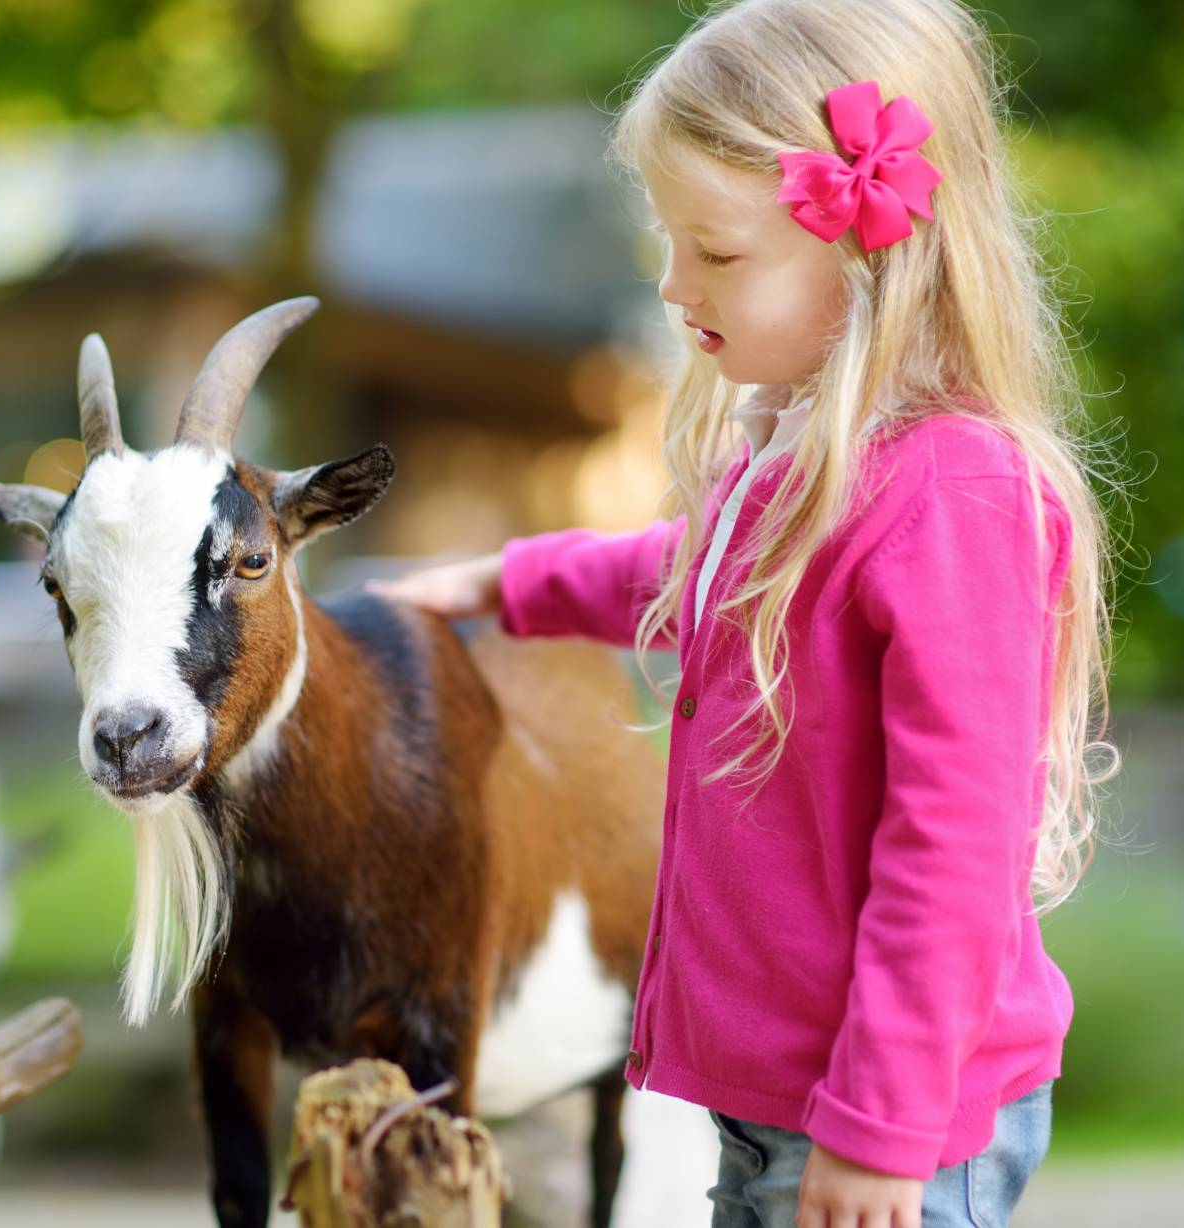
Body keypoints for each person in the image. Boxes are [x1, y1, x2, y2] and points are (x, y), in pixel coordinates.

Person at [368, 1, 1123, 1224]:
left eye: (714, 253)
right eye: (666, 244)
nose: (673, 286)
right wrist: (508, 583)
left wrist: (879, 1125)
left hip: (881, 1123)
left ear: (869, 249)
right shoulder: (803, 467)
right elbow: (697, 577)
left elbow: (952, 846)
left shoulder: (949, 493)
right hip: (783, 1104)